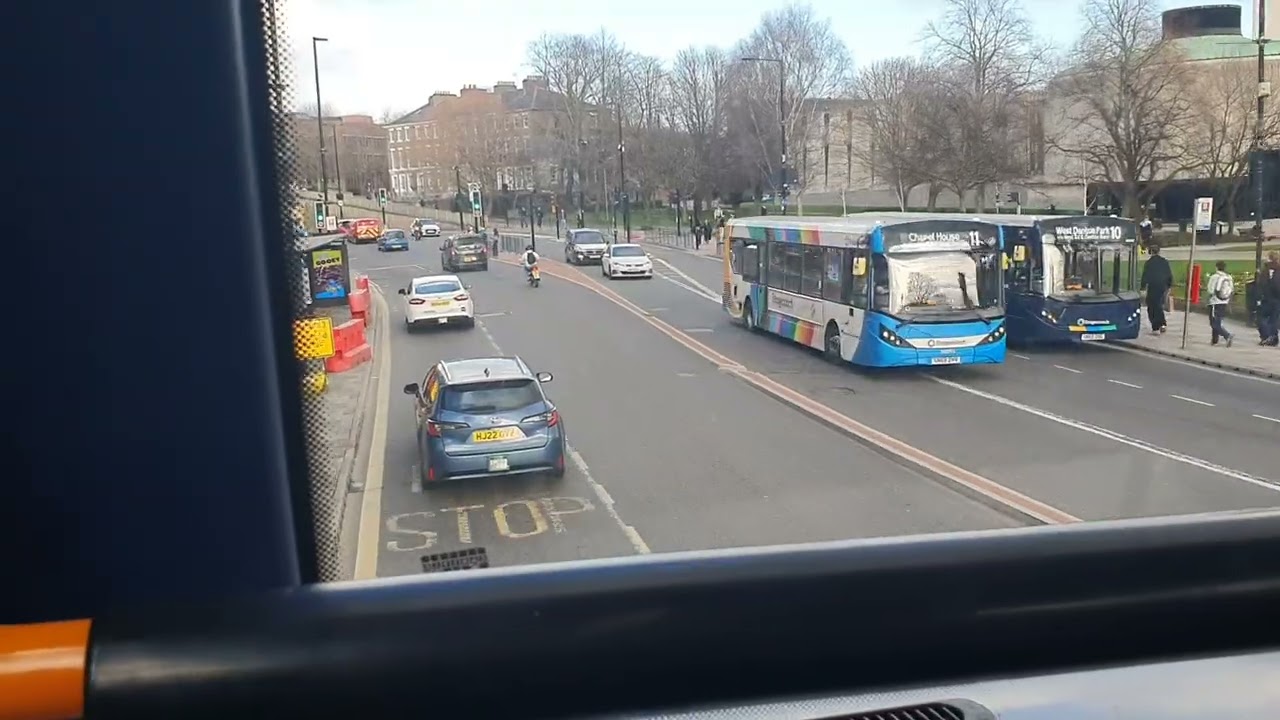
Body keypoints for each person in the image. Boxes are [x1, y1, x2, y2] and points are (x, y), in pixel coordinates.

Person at [1139, 244, 1172, 334]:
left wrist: (1143, 287)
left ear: (1150, 252)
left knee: (1152, 306)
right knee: (1159, 305)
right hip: (1162, 286)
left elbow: (1145, 276)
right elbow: (1169, 274)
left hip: (1153, 286)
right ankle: (1162, 323)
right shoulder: (1164, 262)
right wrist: (1169, 286)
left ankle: (1156, 326)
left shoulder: (1149, 263)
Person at [1206, 260, 1235, 347]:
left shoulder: (1214, 277)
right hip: (1224, 302)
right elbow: (1232, 290)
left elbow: (1210, 290)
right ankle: (1214, 340)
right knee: (1218, 321)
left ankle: (1227, 335)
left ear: (1216, 267)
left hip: (1215, 302)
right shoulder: (1229, 277)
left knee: (1213, 323)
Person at [1257, 250, 1280, 346]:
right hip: (1276, 299)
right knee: (1274, 318)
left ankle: (1266, 336)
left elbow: (1261, 284)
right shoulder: (1278, 269)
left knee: (1263, 318)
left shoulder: (1265, 270)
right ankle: (1273, 337)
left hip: (1266, 298)